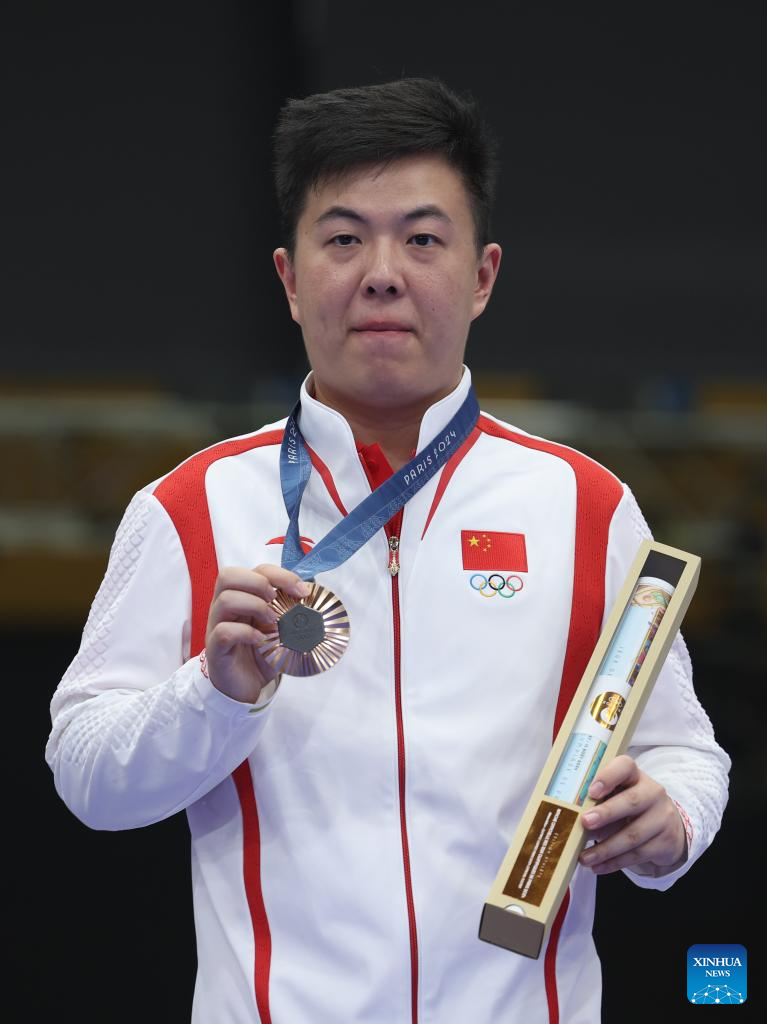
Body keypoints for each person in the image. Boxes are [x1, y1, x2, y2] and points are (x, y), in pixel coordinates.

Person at [46, 78, 730, 1023]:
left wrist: (674, 822)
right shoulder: (191, 506)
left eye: (421, 238)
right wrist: (213, 693)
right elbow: (86, 777)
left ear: (482, 275)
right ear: (288, 279)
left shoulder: (584, 505)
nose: (381, 272)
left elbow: (685, 752)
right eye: (342, 239)